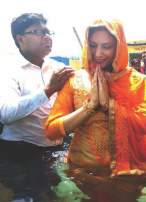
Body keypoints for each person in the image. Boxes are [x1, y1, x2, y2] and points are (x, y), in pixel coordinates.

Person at [45, 19, 146, 202]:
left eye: (107, 46)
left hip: (129, 174)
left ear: (119, 47)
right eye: (93, 45)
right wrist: (90, 107)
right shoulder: (76, 80)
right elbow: (51, 130)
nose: (98, 53)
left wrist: (110, 107)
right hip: (81, 173)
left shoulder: (137, 81)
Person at [0, 13, 74, 201]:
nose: (47, 36)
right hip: (20, 151)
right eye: (38, 32)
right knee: (30, 196)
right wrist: (48, 91)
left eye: (48, 32)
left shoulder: (57, 68)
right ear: (20, 39)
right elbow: (6, 113)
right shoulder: (8, 69)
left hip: (54, 148)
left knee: (62, 192)